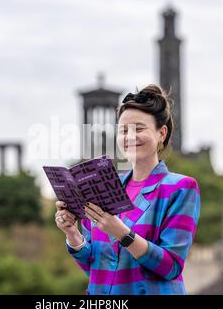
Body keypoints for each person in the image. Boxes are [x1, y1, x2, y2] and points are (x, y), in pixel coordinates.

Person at [55, 84, 201, 295]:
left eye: (139, 129)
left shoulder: (180, 188)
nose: (130, 137)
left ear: (162, 133)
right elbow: (95, 268)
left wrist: (123, 233)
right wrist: (73, 235)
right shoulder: (103, 186)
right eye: (123, 130)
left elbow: (171, 267)